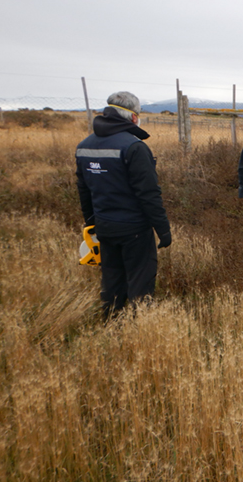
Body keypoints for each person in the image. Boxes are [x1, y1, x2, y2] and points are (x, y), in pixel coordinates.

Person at [75, 91, 172, 321]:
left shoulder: (84, 146)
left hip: (105, 227)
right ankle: (140, 328)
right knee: (141, 278)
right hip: (135, 230)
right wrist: (163, 229)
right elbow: (149, 194)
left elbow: (83, 189)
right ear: (132, 116)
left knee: (112, 279)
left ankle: (111, 324)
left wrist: (92, 222)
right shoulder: (134, 147)